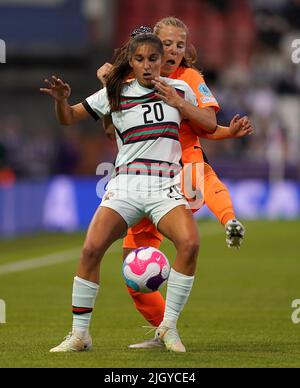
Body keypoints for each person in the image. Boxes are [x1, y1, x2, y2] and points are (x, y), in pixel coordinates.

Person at [40, 33, 217, 353]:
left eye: (154, 59)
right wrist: (60, 101)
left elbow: (209, 123)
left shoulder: (180, 89)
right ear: (131, 63)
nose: (148, 65)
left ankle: (168, 328)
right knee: (91, 249)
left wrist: (180, 103)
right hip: (126, 186)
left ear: (163, 60)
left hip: (165, 186)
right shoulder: (115, 93)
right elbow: (69, 119)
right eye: (140, 59)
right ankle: (80, 336)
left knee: (190, 244)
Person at [96, 19, 253, 348]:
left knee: (199, 171)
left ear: (187, 50)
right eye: (167, 44)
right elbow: (112, 130)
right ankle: (163, 328)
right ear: (151, 46)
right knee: (133, 266)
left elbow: (206, 124)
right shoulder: (128, 81)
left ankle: (229, 218)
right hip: (141, 179)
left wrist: (220, 128)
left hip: (177, 167)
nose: (173, 51)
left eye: (180, 45)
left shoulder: (190, 79)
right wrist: (109, 86)